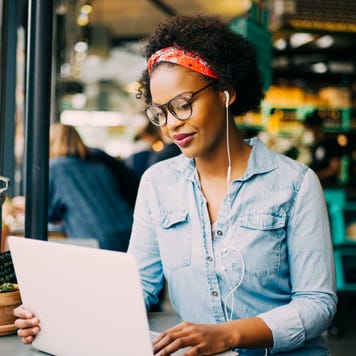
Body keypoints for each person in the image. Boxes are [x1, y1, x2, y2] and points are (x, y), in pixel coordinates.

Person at [15, 15, 337, 355]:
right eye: (160, 112)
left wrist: (228, 335)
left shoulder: (295, 184)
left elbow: (318, 304)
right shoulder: (158, 183)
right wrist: (56, 315)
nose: (171, 125)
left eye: (183, 105)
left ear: (226, 92)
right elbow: (137, 286)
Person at [47, 122, 139, 251]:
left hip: (96, 239)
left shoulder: (55, 167)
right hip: (129, 231)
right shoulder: (98, 165)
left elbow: (50, 213)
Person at [303, 110, 343, 187]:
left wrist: (314, 177)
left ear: (315, 128)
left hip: (329, 187)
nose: (307, 132)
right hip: (315, 186)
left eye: (308, 129)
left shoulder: (331, 144)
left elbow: (334, 168)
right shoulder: (314, 145)